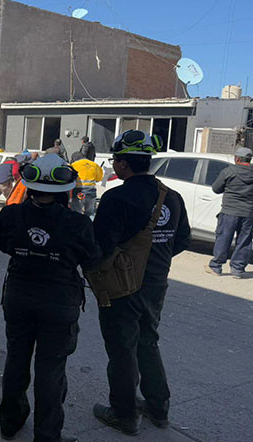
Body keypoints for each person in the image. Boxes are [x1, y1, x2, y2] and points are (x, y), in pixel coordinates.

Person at [90, 130, 190, 436]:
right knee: (148, 341)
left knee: (122, 350)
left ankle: (124, 414)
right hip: (156, 285)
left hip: (122, 287)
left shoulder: (116, 197)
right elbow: (182, 239)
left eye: (116, 161)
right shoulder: (171, 196)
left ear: (122, 165)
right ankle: (158, 408)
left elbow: (100, 246)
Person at [0, 153, 101, 442]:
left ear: (29, 187)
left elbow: (3, 244)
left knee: (16, 358)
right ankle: (47, 435)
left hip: (19, 296)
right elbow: (91, 258)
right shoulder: (78, 224)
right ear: (65, 191)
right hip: (59, 301)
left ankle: (10, 422)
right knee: (51, 368)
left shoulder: (10, 214)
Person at [206, 147, 253, 278]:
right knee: (244, 242)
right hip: (248, 213)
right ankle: (237, 269)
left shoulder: (228, 171)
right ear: (249, 159)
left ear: (237, 159)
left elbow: (216, 189)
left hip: (229, 211)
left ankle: (216, 267)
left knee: (223, 238)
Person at [70, 151, 103, 218]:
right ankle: (89, 226)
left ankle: (77, 226)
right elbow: (99, 178)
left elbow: (69, 179)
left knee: (77, 212)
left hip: (80, 193)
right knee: (89, 213)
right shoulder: (94, 165)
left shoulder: (73, 165)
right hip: (91, 193)